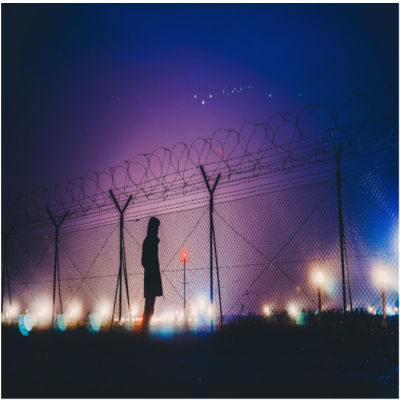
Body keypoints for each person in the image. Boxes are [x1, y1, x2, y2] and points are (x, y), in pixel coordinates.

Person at [141, 217, 163, 334]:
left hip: (151, 278)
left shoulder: (150, 241)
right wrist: (152, 269)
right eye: (157, 227)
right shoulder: (150, 241)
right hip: (151, 278)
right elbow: (144, 261)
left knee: (149, 306)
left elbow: (145, 262)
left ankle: (145, 331)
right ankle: (144, 331)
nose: (158, 230)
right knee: (149, 307)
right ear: (153, 227)